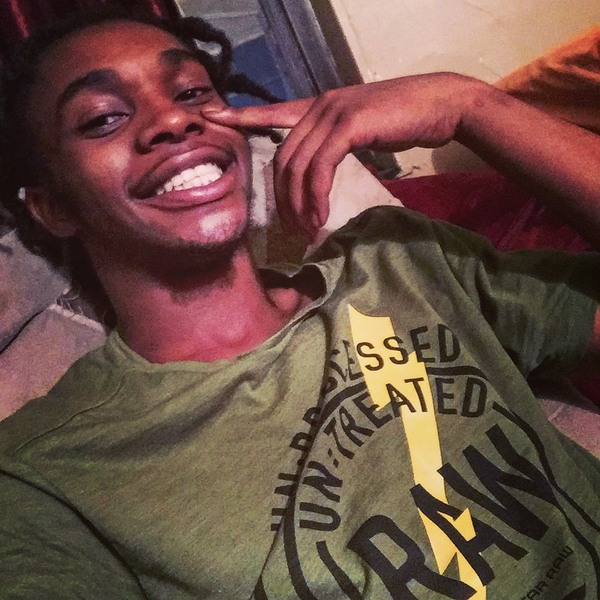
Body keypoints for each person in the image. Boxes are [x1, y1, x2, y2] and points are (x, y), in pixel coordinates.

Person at [0, 6, 599, 599]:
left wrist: (470, 106)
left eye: (191, 92)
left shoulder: (400, 259)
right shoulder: (44, 475)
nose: (175, 120)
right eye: (103, 118)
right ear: (54, 206)